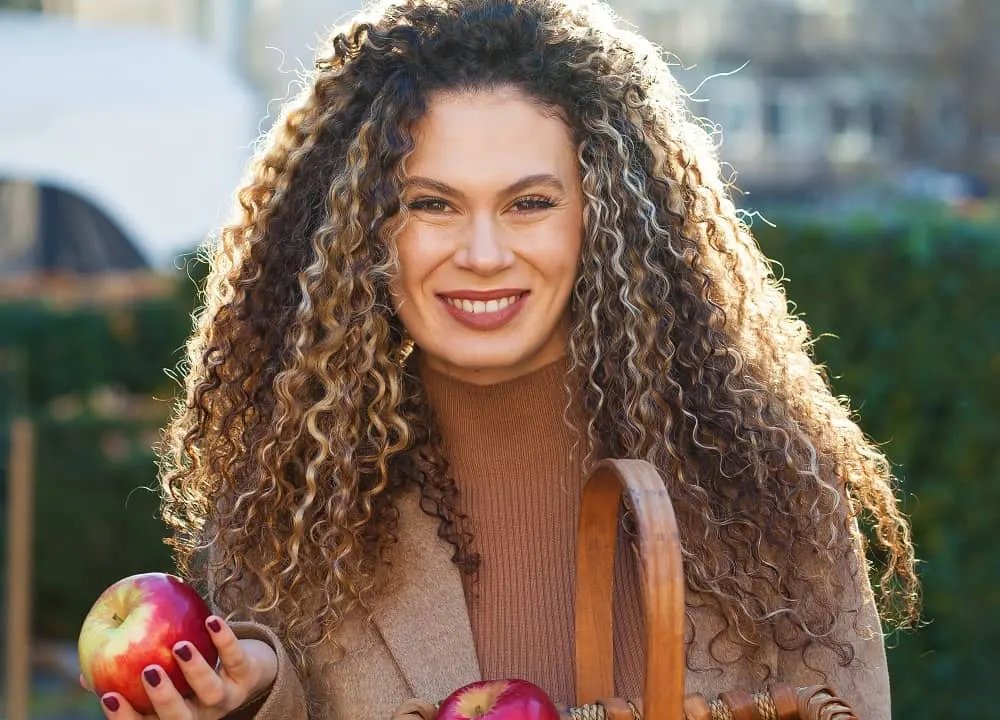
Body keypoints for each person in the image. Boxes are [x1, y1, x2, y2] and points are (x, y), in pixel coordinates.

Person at [91, 0, 920, 718]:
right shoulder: (297, 496)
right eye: (430, 204)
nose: (483, 253)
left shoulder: (760, 482)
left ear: (601, 217)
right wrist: (256, 707)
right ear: (356, 231)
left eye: (529, 203)